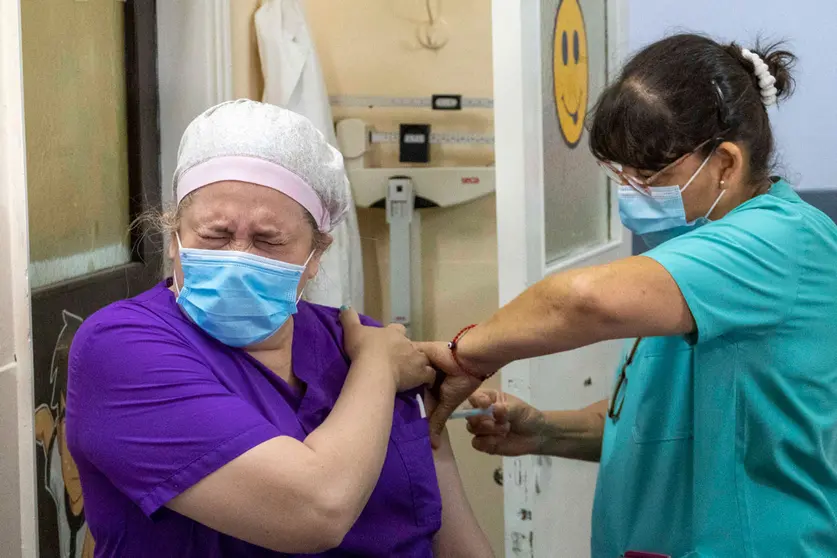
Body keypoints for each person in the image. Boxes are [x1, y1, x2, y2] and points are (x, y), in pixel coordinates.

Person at [420, 34, 837, 557]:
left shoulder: (784, 241)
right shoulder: (688, 256)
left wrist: (465, 355)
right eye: (621, 175)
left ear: (726, 164)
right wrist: (545, 432)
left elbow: (581, 300)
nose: (631, 192)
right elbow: (651, 427)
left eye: (648, 175)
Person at [66, 100, 492, 557]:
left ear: (316, 256)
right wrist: (379, 367)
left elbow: (457, 539)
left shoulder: (353, 343)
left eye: (269, 240)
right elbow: (316, 509)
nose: (239, 257)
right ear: (174, 239)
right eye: (215, 235)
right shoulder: (121, 349)